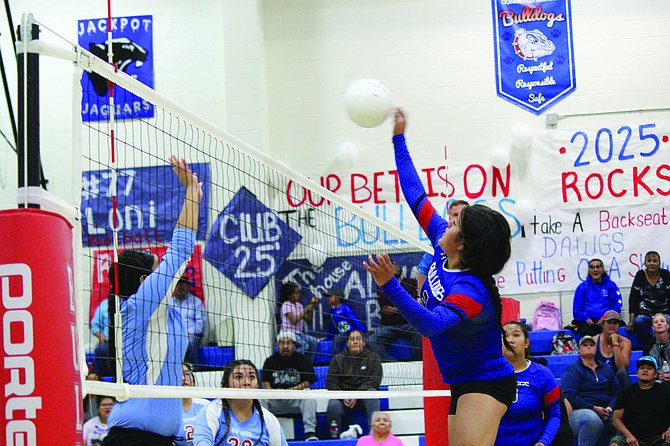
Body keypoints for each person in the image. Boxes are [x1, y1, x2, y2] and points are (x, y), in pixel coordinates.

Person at [363, 109, 515, 446]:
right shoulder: (442, 243)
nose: (446, 222)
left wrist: (390, 285)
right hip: (460, 379)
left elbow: (431, 326)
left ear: (462, 244)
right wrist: (398, 139)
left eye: (455, 224)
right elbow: (415, 193)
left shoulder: (471, 290)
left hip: (486, 381)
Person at [102, 157, 203, 446]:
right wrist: (190, 194)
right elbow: (181, 250)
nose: (164, 273)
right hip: (134, 440)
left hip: (160, 438)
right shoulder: (139, 303)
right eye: (157, 269)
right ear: (145, 280)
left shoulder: (161, 312)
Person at [495, 321, 561, 446]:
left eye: (515, 335)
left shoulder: (543, 374)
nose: (510, 340)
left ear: (526, 343)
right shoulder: (489, 374)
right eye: (505, 336)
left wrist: (544, 442)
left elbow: (554, 415)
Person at [194, 359, 288, 446]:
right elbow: (202, 442)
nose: (246, 382)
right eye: (239, 377)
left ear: (257, 385)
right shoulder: (212, 411)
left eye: (251, 377)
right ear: (226, 386)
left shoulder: (269, 420)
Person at [560, 336, 620, 446]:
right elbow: (568, 395)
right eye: (585, 345)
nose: (589, 347)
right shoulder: (573, 369)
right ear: (579, 349)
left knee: (625, 419)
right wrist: (593, 408)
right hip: (579, 411)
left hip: (606, 410)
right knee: (592, 420)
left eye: (592, 345)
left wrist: (609, 408)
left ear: (596, 349)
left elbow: (616, 392)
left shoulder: (606, 368)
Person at [260, 331, 319, 441]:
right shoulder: (270, 361)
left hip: (295, 399)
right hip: (276, 400)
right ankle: (263, 432)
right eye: (282, 343)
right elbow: (265, 382)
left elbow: (308, 382)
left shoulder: (302, 359)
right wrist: (273, 392)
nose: (285, 346)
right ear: (278, 345)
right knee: (260, 398)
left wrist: (290, 391)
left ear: (294, 345)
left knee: (309, 394)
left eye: (289, 343)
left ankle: (310, 433)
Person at [326, 329, 382, 433]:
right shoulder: (337, 359)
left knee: (373, 395)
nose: (355, 342)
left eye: (358, 339)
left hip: (364, 396)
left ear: (364, 343)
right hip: (343, 399)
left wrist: (357, 394)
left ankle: (374, 433)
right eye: (352, 339)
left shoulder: (373, 358)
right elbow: (331, 382)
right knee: (333, 405)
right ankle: (334, 436)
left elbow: (374, 381)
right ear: (347, 343)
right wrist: (343, 396)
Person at [367, 262, 422, 362]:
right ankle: (391, 363)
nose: (390, 269)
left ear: (397, 267)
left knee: (422, 334)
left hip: (409, 324)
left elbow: (415, 304)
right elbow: (384, 306)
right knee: (371, 340)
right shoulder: (382, 286)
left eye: (391, 266)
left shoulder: (412, 283)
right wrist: (404, 308)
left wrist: (395, 310)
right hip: (389, 326)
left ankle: (414, 361)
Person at [609, 356, 670, 446]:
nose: (645, 370)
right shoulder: (626, 392)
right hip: (632, 438)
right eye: (642, 368)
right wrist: (628, 436)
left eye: (649, 368)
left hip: (660, 438)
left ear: (655, 374)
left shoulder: (666, 391)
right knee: (615, 443)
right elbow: (616, 419)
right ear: (637, 372)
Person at [416, 200, 468, 296]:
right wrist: (423, 299)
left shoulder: (470, 285)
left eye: (462, 215)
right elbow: (422, 270)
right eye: (455, 215)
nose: (457, 219)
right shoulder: (440, 240)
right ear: (449, 218)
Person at [627, 251, 670, 346]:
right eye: (649, 261)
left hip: (664, 312)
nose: (652, 263)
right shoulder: (640, 275)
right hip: (645, 313)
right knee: (637, 322)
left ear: (659, 262)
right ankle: (652, 345)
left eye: (655, 261)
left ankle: (666, 347)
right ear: (645, 263)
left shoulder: (665, 274)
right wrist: (631, 321)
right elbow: (633, 299)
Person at [573, 259, 622, 337]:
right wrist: (586, 318)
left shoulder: (611, 285)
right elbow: (577, 310)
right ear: (589, 271)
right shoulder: (582, 287)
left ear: (603, 270)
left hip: (607, 320)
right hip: (589, 321)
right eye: (592, 267)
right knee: (589, 336)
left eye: (598, 267)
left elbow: (617, 305)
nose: (595, 269)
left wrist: (607, 318)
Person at [278, 281, 318, 362]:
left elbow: (308, 320)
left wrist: (311, 309)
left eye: (298, 292)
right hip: (288, 333)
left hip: (298, 333)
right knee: (304, 345)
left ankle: (308, 364)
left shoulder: (299, 305)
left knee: (313, 341)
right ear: (289, 295)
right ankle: (290, 361)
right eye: (295, 293)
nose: (298, 295)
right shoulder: (286, 305)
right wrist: (305, 309)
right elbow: (294, 320)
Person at [172, 275, 207, 366]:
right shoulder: (168, 303)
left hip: (190, 335)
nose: (181, 287)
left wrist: (185, 333)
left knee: (188, 341)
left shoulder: (196, 302)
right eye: (178, 284)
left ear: (188, 287)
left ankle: (191, 367)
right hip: (172, 335)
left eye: (184, 284)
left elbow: (201, 325)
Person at [594, 310, 632, 389]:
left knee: (622, 373)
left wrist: (615, 344)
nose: (612, 325)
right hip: (599, 379)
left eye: (615, 323)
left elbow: (622, 366)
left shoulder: (625, 342)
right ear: (603, 324)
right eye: (609, 322)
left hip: (617, 379)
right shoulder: (594, 341)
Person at [324, 289, 368, 354]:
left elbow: (354, 319)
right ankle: (337, 360)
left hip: (350, 332)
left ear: (337, 298)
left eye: (331, 296)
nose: (328, 298)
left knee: (337, 339)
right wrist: (328, 338)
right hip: (342, 334)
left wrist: (364, 330)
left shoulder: (345, 308)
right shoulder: (332, 312)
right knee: (337, 339)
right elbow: (331, 327)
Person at [177, 363, 209, 446]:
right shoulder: (166, 410)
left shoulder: (205, 406)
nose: (183, 378)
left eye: (187, 374)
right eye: (178, 374)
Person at [643, 313, 670, 385]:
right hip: (657, 381)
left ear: (668, 326)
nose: (659, 324)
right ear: (653, 327)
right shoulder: (648, 347)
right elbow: (646, 368)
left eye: (662, 321)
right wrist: (658, 376)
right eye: (656, 322)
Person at [91, 299, 112, 376]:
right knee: (100, 350)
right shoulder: (104, 304)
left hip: (127, 342)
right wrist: (101, 337)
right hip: (108, 342)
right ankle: (105, 379)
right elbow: (94, 325)